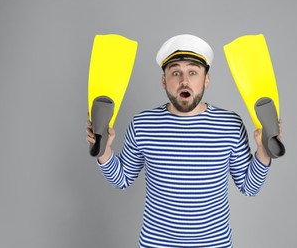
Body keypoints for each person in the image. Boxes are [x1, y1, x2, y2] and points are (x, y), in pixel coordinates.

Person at [86, 34, 282, 248]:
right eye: (176, 72)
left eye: (193, 72)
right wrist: (104, 151)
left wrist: (263, 152)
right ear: (164, 81)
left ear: (206, 79)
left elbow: (249, 187)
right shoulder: (142, 124)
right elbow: (121, 179)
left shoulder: (230, 124)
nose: (184, 81)